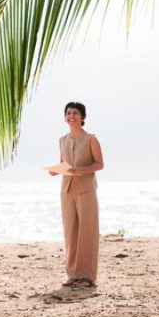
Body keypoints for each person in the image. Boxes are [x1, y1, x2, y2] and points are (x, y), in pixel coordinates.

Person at [48, 101, 104, 288]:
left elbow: (99, 164)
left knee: (87, 231)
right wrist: (56, 170)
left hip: (86, 189)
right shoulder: (62, 140)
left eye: (75, 113)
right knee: (70, 232)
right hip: (67, 190)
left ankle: (87, 277)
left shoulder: (91, 139)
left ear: (83, 117)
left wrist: (80, 170)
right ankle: (72, 275)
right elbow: (64, 164)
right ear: (65, 117)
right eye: (68, 112)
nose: (71, 115)